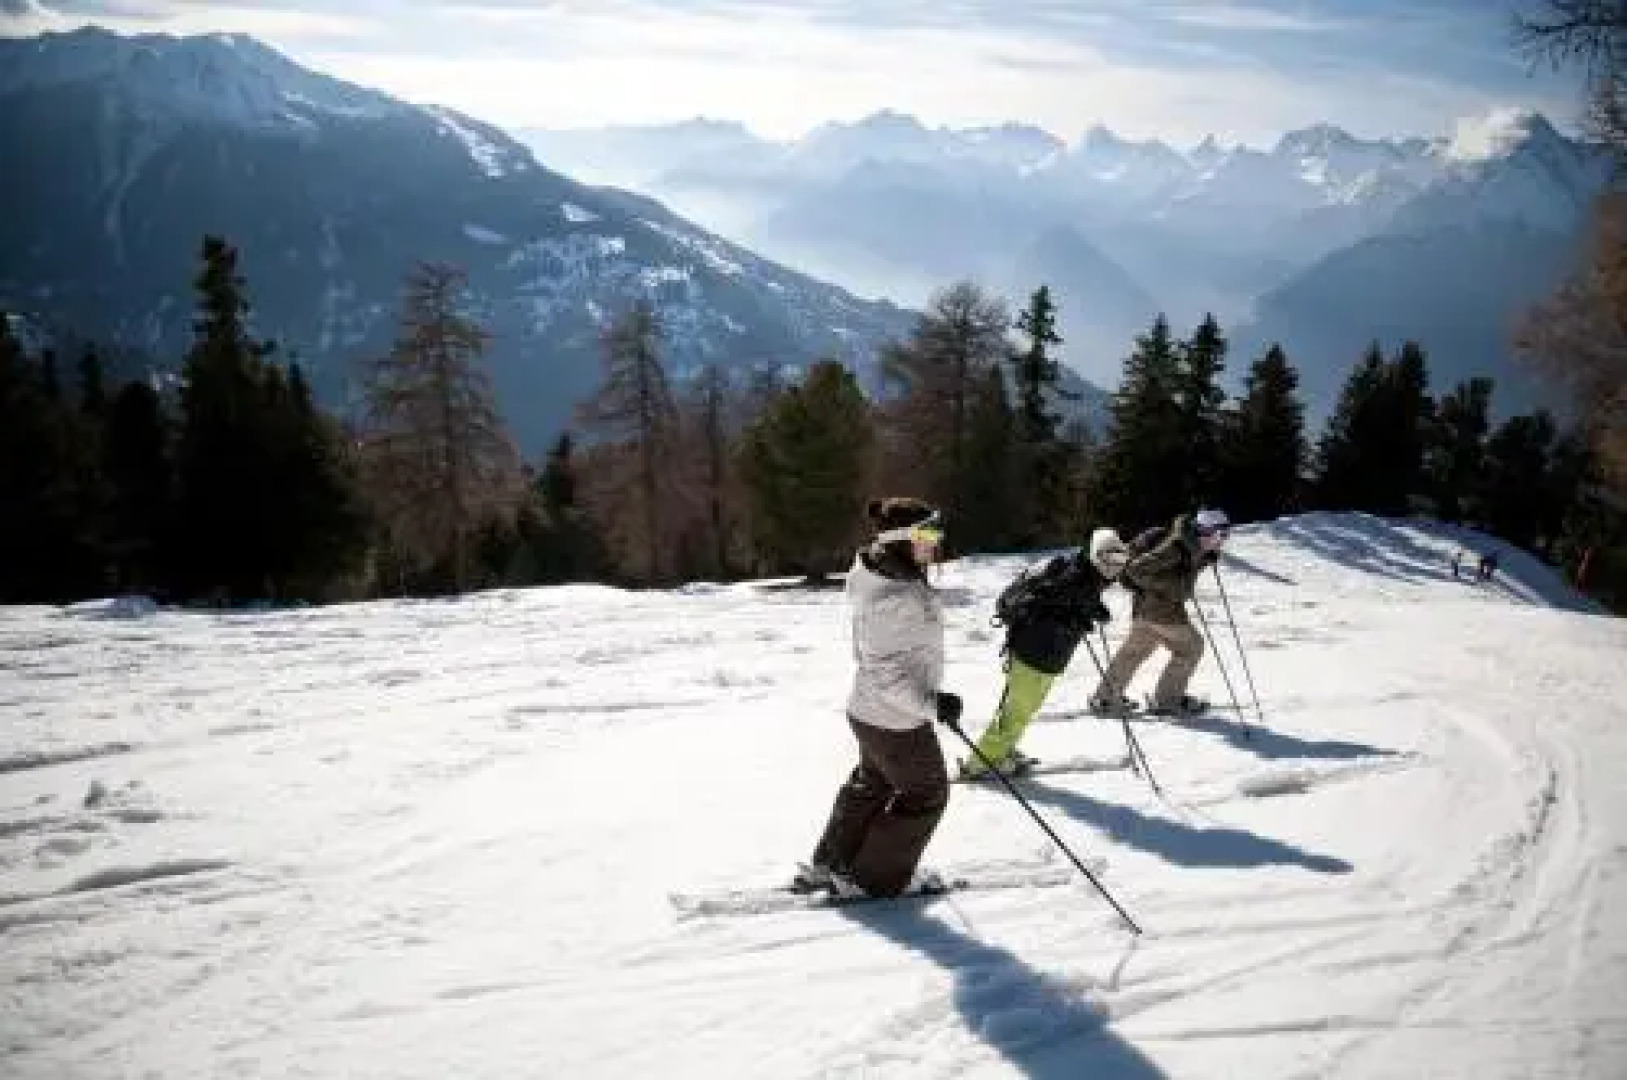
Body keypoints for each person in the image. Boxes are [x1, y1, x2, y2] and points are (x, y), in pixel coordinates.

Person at [795, 497, 961, 899]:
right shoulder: (894, 598)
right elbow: (887, 675)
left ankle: (833, 862)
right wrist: (931, 704)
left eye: (936, 531)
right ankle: (873, 878)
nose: (935, 541)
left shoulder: (884, 571)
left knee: (874, 783)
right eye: (926, 534)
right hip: (895, 719)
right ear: (902, 540)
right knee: (927, 792)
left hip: (873, 712)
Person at [958, 528, 1131, 780]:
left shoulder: (1085, 574)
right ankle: (979, 763)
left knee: (1021, 710)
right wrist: (1082, 614)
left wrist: (1092, 608)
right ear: (1096, 555)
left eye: (1120, 561)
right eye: (1110, 561)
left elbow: (1067, 603)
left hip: (1043, 654)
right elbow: (1055, 606)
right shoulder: (1074, 578)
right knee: (1016, 713)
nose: (1115, 568)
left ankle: (1001, 750)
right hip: (1035, 654)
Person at [1089, 508, 1230, 718]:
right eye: (1220, 535)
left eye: (1226, 535)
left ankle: (1106, 699)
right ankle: (1167, 700)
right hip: (1163, 611)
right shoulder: (1174, 547)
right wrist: (1174, 587)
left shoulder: (1193, 544)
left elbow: (1178, 570)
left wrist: (1204, 559)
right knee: (1191, 648)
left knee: (1134, 651)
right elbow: (1136, 570)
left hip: (1146, 609)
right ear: (1205, 531)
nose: (1223, 540)